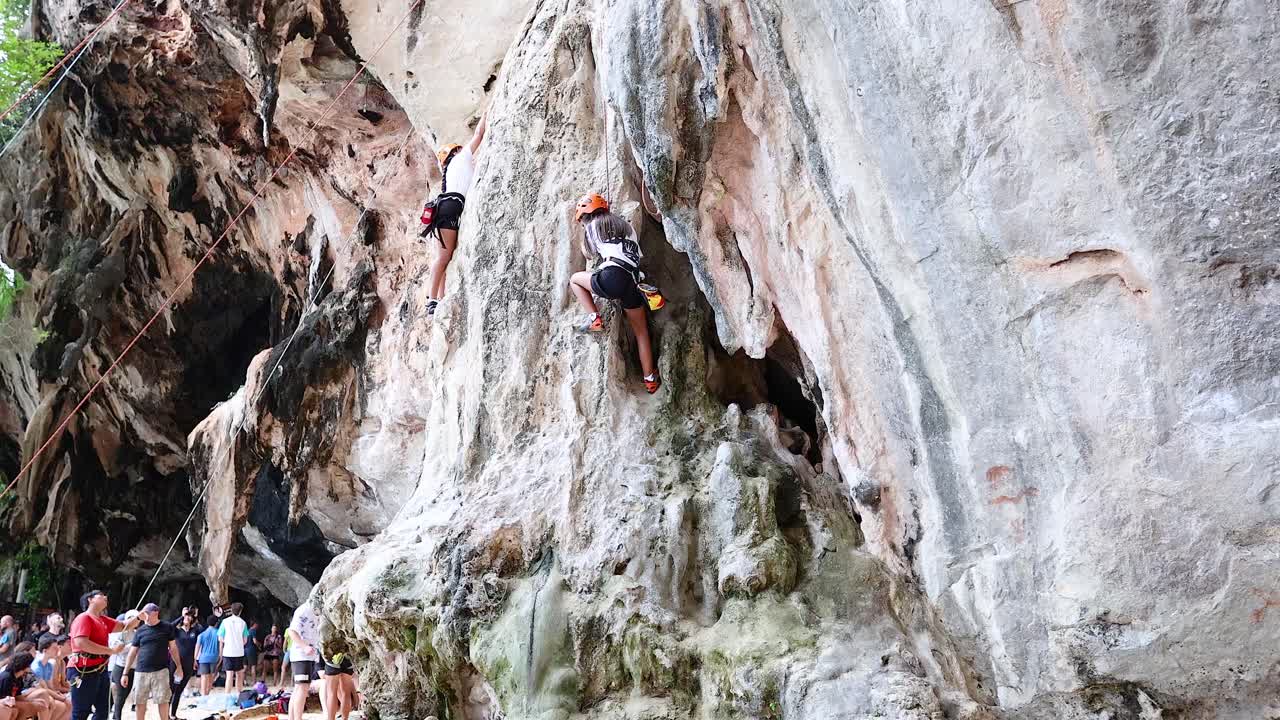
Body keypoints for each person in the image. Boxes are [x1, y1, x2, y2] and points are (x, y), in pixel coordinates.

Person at [568, 193, 660, 393]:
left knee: (575, 280)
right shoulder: (627, 227)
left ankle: (594, 319)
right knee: (641, 332)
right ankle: (650, 380)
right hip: (633, 282)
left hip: (613, 276)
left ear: (585, 216)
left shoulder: (593, 226)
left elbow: (589, 254)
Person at [422, 111, 488, 316]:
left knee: (445, 257)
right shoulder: (462, 157)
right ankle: (431, 300)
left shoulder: (450, 170)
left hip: (445, 207)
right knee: (443, 257)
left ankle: (438, 299)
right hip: (451, 206)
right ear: (456, 151)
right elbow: (479, 134)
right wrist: (487, 113)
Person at [68, 591, 141, 720]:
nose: (105, 597)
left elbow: (125, 626)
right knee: (81, 712)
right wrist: (110, 651)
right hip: (83, 670)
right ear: (90, 599)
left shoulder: (102, 620)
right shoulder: (84, 618)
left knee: (104, 710)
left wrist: (140, 617)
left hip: (100, 670)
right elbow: (81, 643)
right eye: (101, 595)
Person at [120, 604, 180, 720]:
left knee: (163, 700)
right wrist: (125, 673)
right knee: (139, 701)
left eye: (147, 613)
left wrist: (179, 666)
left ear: (155, 613)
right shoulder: (140, 631)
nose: (144, 615)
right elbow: (132, 652)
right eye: (143, 613)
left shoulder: (167, 627)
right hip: (141, 671)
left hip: (161, 671)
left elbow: (173, 648)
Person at [285, 602, 320, 720]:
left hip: (309, 655)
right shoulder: (304, 610)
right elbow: (291, 631)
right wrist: (304, 646)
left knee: (299, 688)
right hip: (302, 655)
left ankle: (292, 718)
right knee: (302, 688)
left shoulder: (316, 610)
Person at [105, 612, 138, 720]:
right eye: (132, 618)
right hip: (120, 667)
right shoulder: (120, 634)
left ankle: (115, 716)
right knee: (120, 695)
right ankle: (116, 717)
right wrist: (133, 646)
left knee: (125, 695)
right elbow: (117, 650)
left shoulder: (137, 633)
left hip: (133, 667)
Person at [0, 653, 50, 720]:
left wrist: (32, 701)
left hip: (11, 701)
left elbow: (18, 696)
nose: (30, 668)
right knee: (29, 707)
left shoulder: (19, 678)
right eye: (29, 666)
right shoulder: (6, 677)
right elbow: (5, 700)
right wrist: (32, 704)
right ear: (23, 666)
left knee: (38, 703)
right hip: (4, 703)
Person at [215, 604, 248, 704]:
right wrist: (238, 643)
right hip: (239, 652)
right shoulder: (243, 623)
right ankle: (239, 696)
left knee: (229, 675)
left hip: (228, 652)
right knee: (239, 675)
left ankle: (227, 697)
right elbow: (245, 640)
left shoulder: (225, 622)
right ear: (240, 611)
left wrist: (228, 642)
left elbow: (220, 637)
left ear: (231, 610)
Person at [167, 614, 198, 715]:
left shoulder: (194, 631)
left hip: (188, 664)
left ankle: (173, 714)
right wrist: (181, 616)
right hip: (176, 663)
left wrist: (195, 615)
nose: (187, 618)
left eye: (189, 616)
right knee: (171, 689)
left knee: (179, 690)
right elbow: (170, 626)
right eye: (185, 616)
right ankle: (166, 715)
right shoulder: (177, 631)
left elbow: (203, 628)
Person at [320, 651, 354, 720]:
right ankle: (345, 718)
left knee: (331, 693)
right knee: (346, 693)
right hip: (347, 657)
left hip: (333, 657)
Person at [193, 618, 219, 698]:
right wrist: (221, 656)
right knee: (212, 676)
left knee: (203, 676)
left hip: (203, 658)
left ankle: (203, 695)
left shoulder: (202, 635)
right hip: (214, 657)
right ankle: (207, 693)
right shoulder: (218, 633)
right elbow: (221, 645)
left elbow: (197, 647)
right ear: (216, 623)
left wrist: (195, 659)